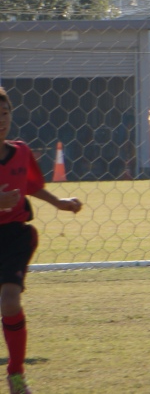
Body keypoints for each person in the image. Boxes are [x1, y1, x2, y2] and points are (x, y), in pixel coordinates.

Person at [0, 87, 83, 394]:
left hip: (13, 236)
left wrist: (59, 202)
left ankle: (16, 375)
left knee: (10, 301)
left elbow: (31, 185)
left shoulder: (21, 152)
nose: (1, 121)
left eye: (5, 113)